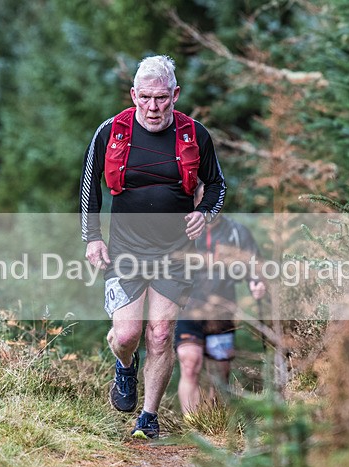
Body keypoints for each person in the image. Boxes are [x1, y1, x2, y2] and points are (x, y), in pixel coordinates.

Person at [79, 55, 227, 439]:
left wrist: (205, 215)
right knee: (127, 335)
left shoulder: (195, 134)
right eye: (145, 97)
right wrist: (92, 237)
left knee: (160, 334)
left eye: (161, 98)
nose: (153, 107)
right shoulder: (111, 131)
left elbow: (217, 186)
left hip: (175, 252)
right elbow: (89, 185)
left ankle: (147, 416)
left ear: (175, 95)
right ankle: (125, 367)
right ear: (133, 94)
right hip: (126, 248)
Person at [175, 183, 266, 416]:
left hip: (223, 310)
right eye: (205, 198)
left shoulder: (236, 232)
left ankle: (213, 423)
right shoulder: (181, 231)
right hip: (188, 308)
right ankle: (193, 423)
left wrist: (256, 281)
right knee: (189, 361)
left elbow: (254, 264)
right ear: (195, 201)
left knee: (220, 370)